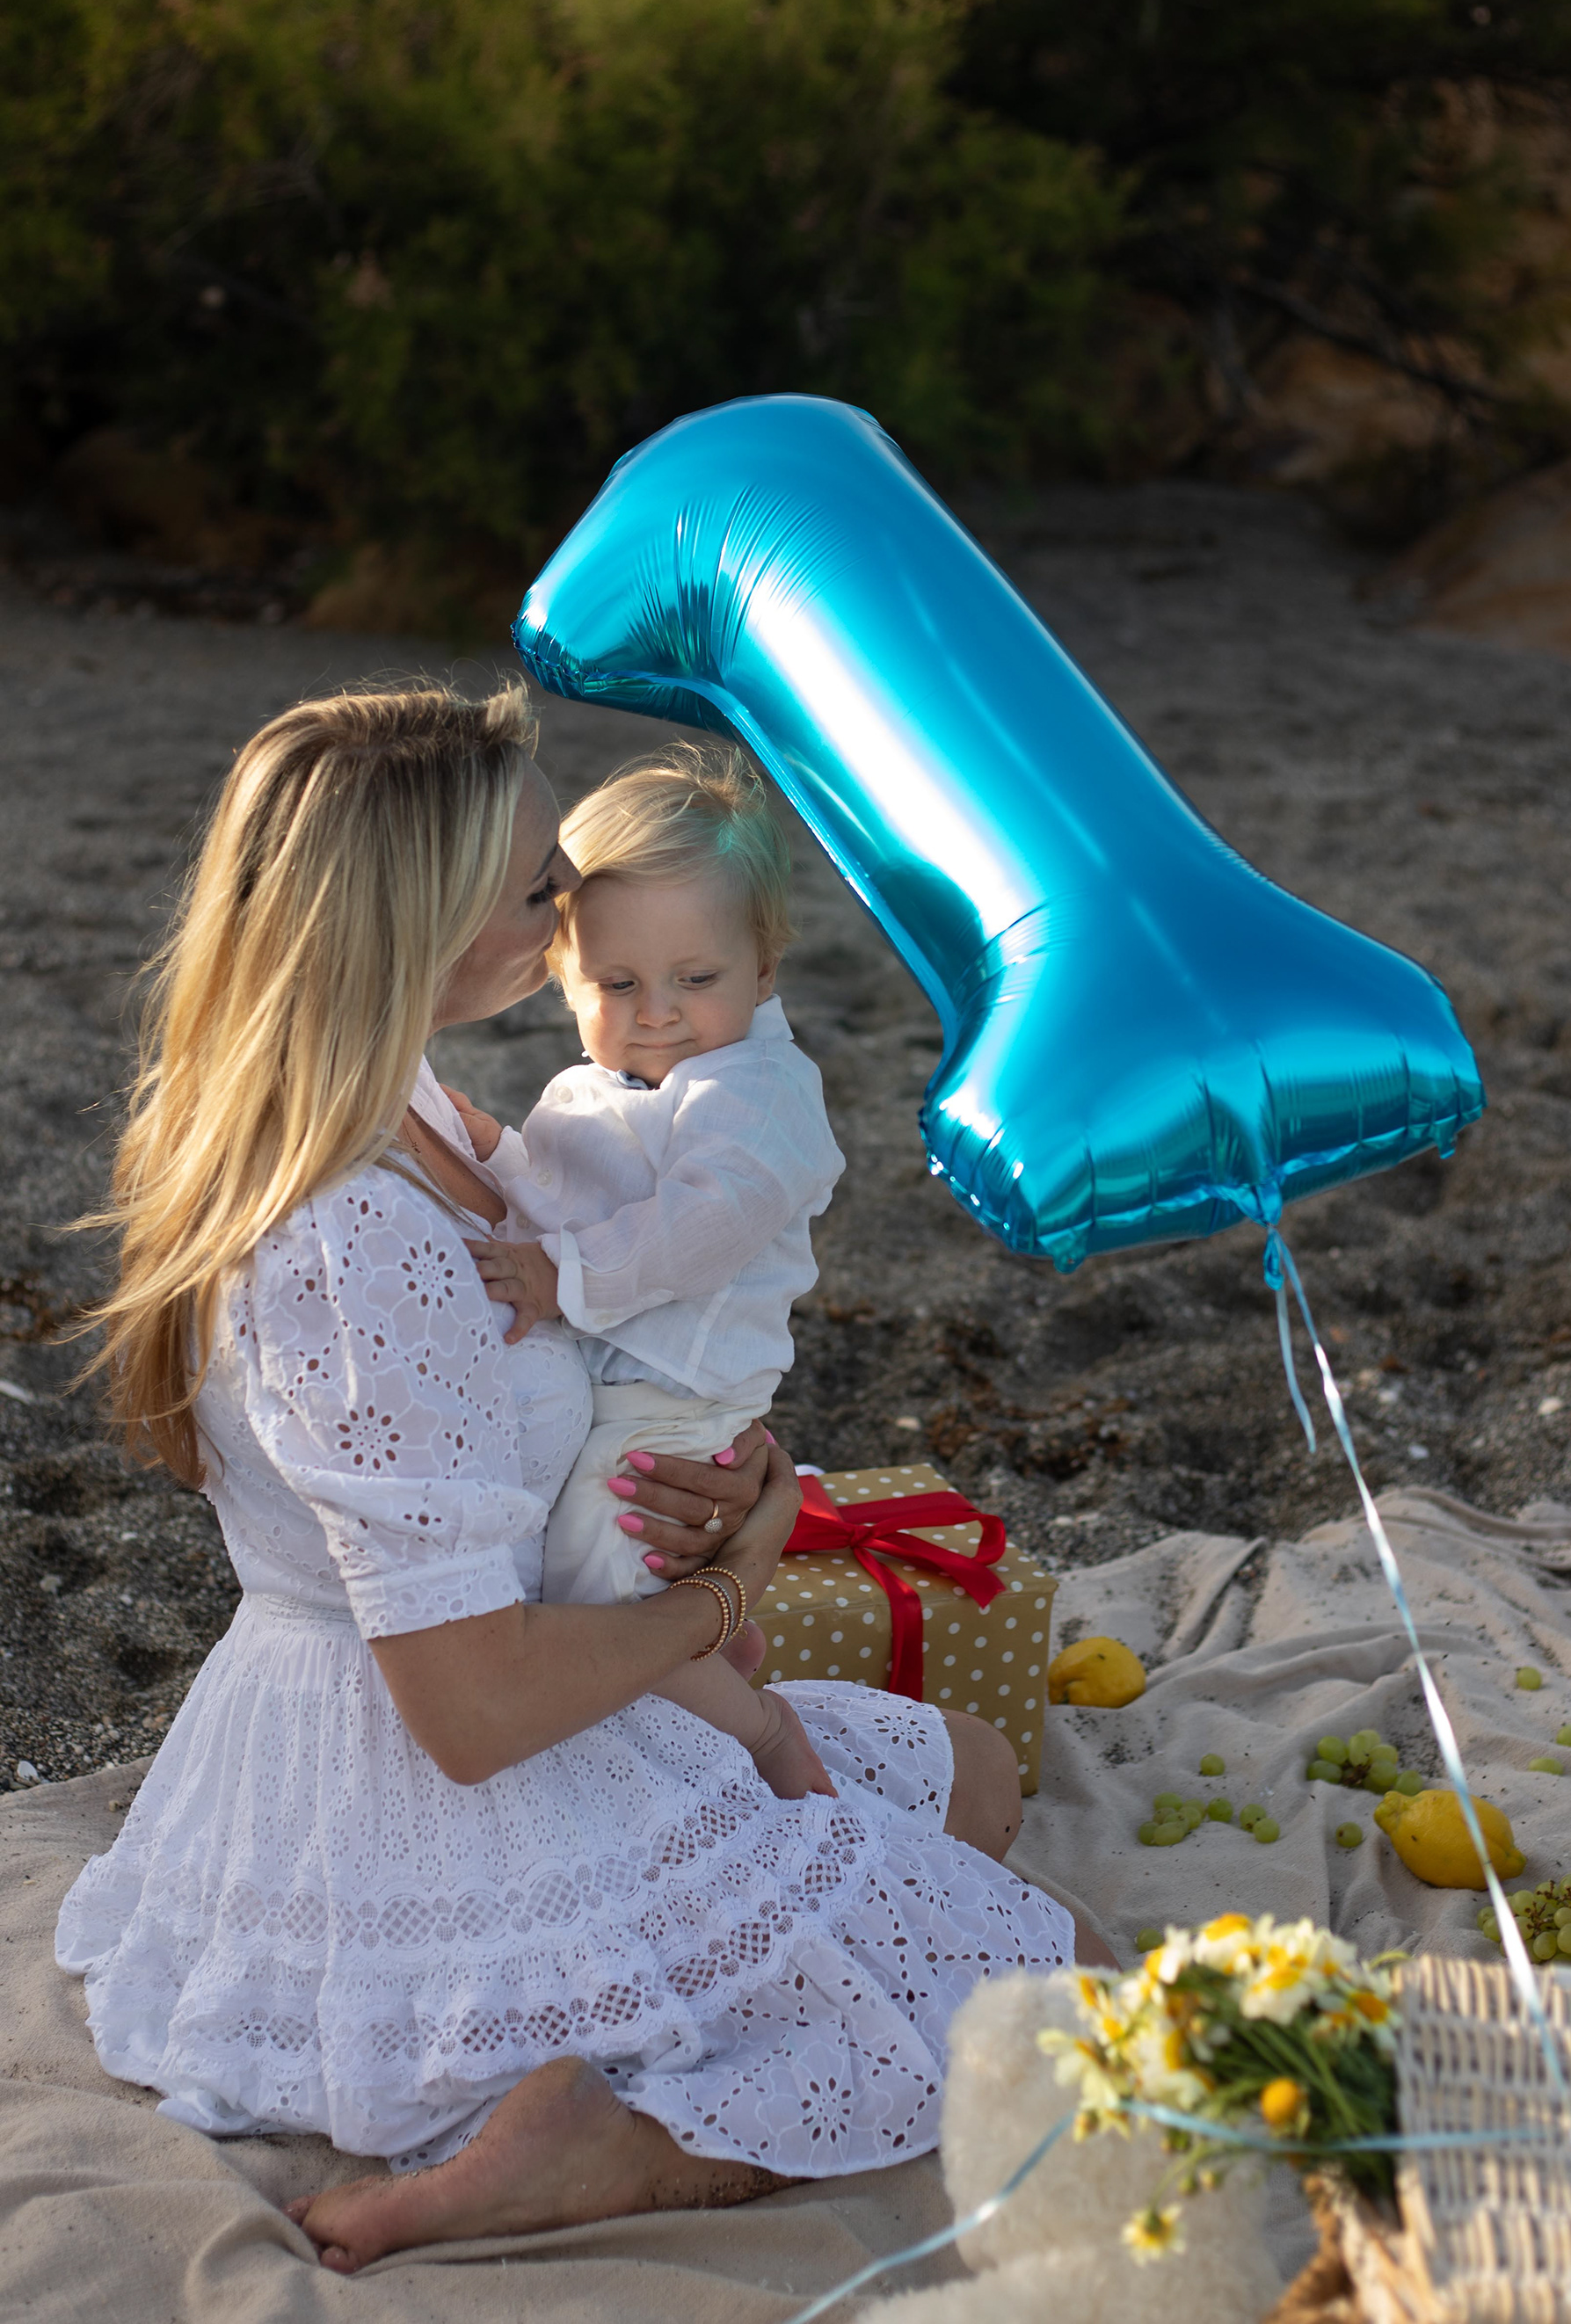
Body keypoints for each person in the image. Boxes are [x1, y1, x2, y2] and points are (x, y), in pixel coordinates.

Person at [55, 681, 1086, 2276]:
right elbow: (470, 1712)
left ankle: (610, 2077)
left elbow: (590, 1366)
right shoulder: (351, 1243)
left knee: (975, 1775)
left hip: (518, 1660)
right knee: (1004, 1979)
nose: (568, 916)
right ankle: (595, 2143)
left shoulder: (403, 1098)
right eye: (541, 887)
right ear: (421, 912)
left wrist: (735, 1482)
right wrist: (736, 1589)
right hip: (431, 1769)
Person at [446, 743, 845, 1799]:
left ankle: (758, 1730)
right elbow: (562, 1192)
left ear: (764, 970)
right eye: (616, 983)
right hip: (618, 1380)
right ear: (564, 978)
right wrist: (495, 1155)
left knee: (596, 1598)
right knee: (584, 1574)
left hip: (677, 1398)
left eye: (695, 979)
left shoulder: (755, 1094)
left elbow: (696, 1228)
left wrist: (559, 1275)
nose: (657, 1011)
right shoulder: (599, 1086)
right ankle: (709, 1659)